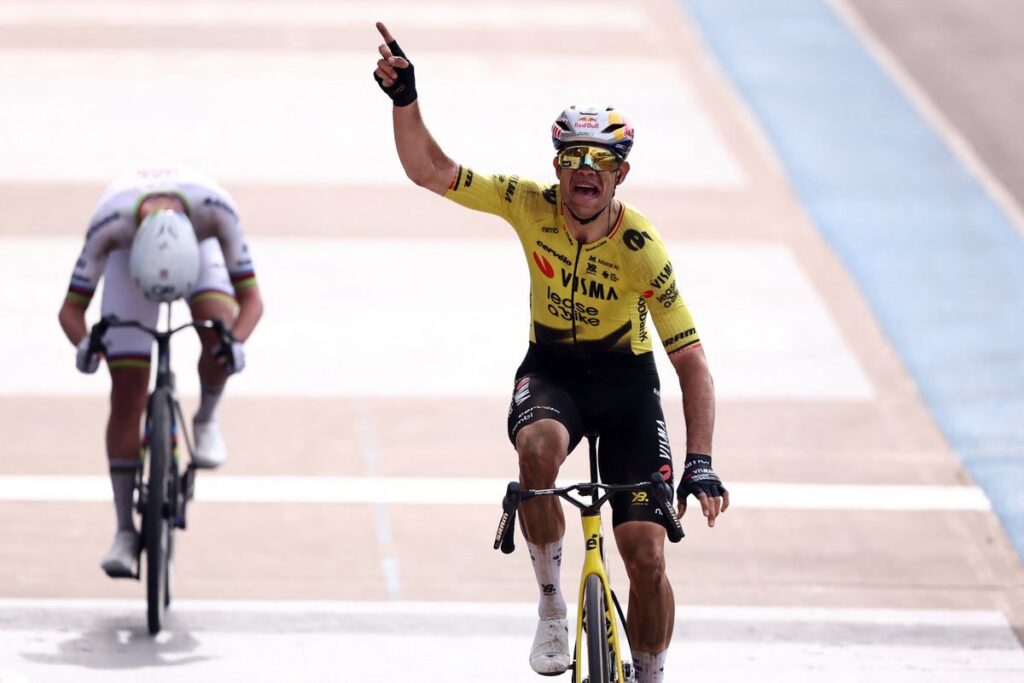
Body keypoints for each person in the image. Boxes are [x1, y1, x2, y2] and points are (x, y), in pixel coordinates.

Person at [372, 22, 729, 683]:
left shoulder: (641, 248)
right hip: (555, 370)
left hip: (626, 387)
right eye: (572, 159)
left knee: (647, 556)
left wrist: (701, 460)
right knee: (535, 453)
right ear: (557, 165)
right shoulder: (527, 205)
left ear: (620, 173)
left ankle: (650, 671)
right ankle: (551, 604)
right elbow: (431, 171)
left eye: (599, 162)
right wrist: (406, 100)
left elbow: (692, 362)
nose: (583, 173)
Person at [57, 167, 263, 577]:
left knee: (216, 331)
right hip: (127, 264)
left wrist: (235, 343)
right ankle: (124, 530)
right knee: (127, 393)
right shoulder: (111, 224)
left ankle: (205, 418)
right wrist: (84, 345)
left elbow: (252, 299)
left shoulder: (215, 211)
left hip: (198, 254)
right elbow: (70, 310)